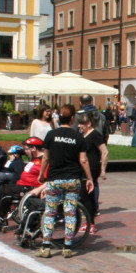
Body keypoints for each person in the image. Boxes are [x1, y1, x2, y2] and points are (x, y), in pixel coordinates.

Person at [37, 105, 94, 258]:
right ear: (72, 118)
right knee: (70, 213)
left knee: (50, 212)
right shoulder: (78, 137)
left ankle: (46, 246)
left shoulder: (51, 135)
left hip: (55, 178)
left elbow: (46, 158)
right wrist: (89, 178)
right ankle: (67, 247)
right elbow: (83, 160)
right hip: (72, 179)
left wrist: (41, 173)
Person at [0, 137, 44, 229]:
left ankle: (0, 218)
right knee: (2, 188)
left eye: (26, 149)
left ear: (33, 148)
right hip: (22, 184)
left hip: (31, 187)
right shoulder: (34, 159)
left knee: (5, 190)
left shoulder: (42, 161)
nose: (25, 151)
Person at [77, 112, 108, 235]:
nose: (79, 126)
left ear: (88, 124)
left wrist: (103, 169)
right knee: (84, 195)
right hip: (83, 168)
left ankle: (91, 223)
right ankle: (88, 221)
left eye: (82, 124)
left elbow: (104, 152)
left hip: (91, 168)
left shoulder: (95, 135)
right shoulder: (83, 135)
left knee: (87, 195)